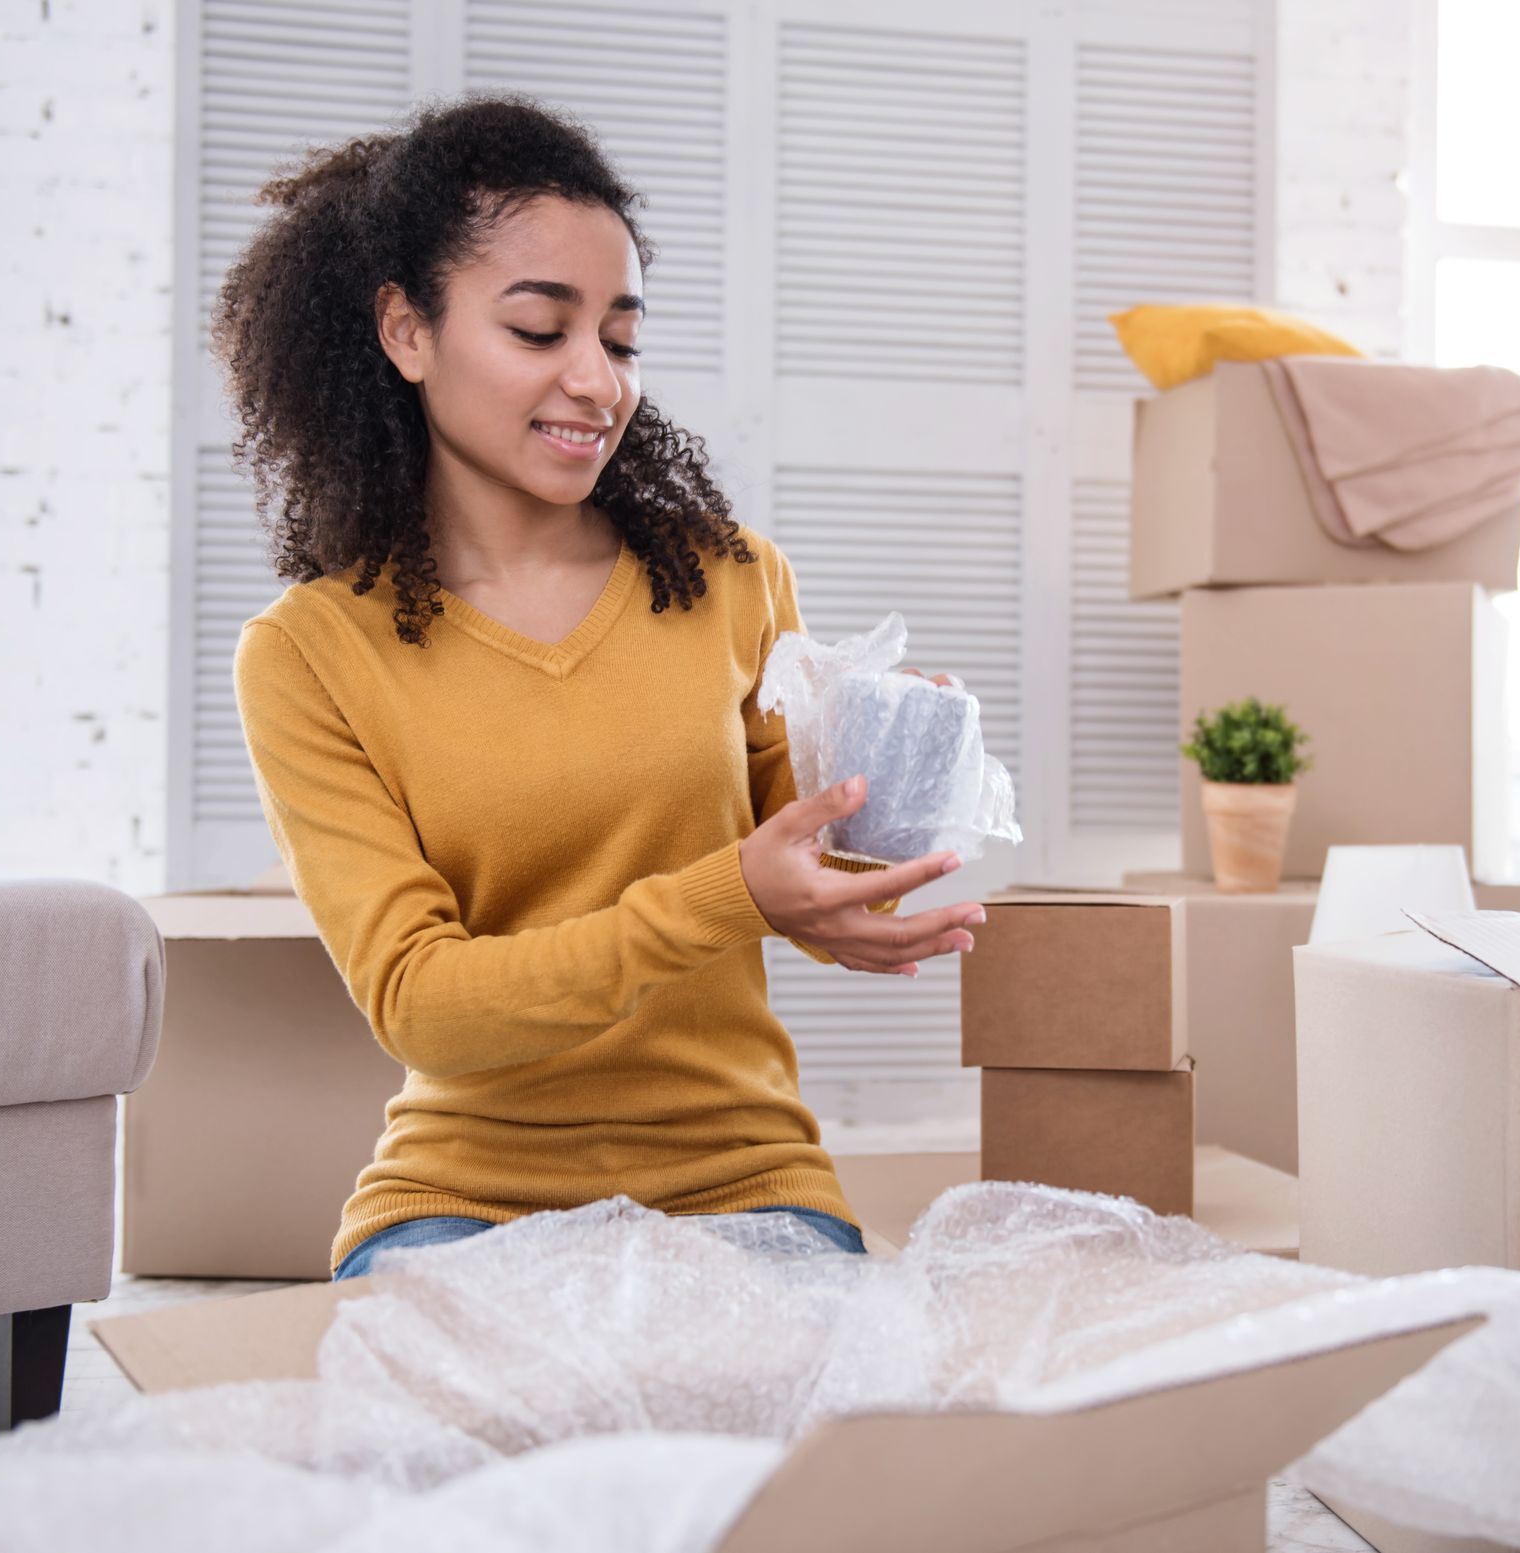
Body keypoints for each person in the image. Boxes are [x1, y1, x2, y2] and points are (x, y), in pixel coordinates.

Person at [216, 94, 986, 1281]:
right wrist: (726, 892)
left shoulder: (731, 581)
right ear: (405, 331)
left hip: (741, 1177)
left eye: (620, 341)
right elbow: (420, 1004)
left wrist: (891, 791)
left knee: (776, 1447)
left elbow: (813, 892)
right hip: (462, 1199)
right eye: (539, 330)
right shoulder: (312, 653)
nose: (597, 382)